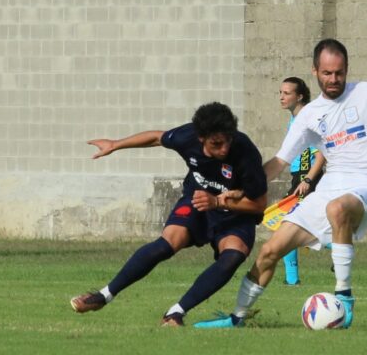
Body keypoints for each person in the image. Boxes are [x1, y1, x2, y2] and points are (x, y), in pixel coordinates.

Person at [194, 38, 367, 329]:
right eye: (327, 73)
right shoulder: (309, 115)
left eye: (340, 73)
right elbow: (280, 162)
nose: (334, 79)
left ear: (347, 69)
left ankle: (343, 296)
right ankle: (237, 318)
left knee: (337, 209)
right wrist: (244, 188)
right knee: (270, 251)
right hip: (330, 187)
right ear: (315, 71)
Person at [70, 102, 267, 326]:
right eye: (217, 144)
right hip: (197, 200)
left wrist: (219, 201)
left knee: (234, 255)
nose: (224, 149)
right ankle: (103, 295)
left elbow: (259, 204)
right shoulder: (187, 137)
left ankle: (176, 313)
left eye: (227, 141)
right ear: (201, 138)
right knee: (168, 242)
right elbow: (156, 137)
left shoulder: (245, 152)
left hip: (235, 212)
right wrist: (116, 144)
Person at [278, 76, 325, 285]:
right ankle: (291, 280)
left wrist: (308, 179)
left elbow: (321, 153)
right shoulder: (294, 118)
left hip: (307, 175)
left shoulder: (308, 118)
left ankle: (292, 279)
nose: (281, 97)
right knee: (294, 226)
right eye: (280, 92)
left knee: (287, 225)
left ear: (300, 96)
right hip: (299, 175)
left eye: (286, 93)